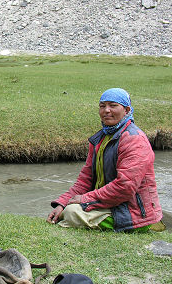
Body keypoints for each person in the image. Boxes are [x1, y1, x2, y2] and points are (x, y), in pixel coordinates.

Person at [47, 88, 163, 232]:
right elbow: (86, 179)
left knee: (71, 214)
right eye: (102, 106)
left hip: (133, 213)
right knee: (67, 210)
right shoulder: (100, 139)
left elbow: (125, 187)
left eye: (113, 105)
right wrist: (62, 203)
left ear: (126, 110)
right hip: (110, 203)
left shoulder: (134, 140)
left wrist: (85, 199)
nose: (106, 110)